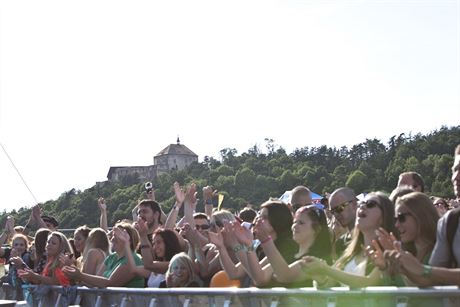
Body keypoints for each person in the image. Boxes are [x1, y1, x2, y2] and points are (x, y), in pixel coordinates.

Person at [300, 192, 396, 288]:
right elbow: (328, 284)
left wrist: (326, 270)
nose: (362, 207)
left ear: (384, 216)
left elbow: (368, 283)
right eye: (361, 204)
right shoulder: (350, 252)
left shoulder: (389, 251)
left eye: (370, 204)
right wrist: (320, 278)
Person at [250, 204, 332, 287]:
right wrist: (246, 245)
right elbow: (258, 278)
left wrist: (265, 240)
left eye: (301, 223)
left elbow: (285, 276)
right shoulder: (287, 253)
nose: (295, 226)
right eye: (294, 222)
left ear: (317, 228)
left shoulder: (315, 259)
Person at [62, 222, 144, 288]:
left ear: (129, 239)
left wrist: (80, 275)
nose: (112, 239)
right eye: (112, 236)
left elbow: (110, 283)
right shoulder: (111, 257)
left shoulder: (133, 259)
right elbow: (95, 282)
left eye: (117, 236)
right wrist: (73, 270)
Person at [328, 187, 358, 258]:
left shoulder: (371, 236)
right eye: (332, 212)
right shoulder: (340, 244)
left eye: (339, 208)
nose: (335, 215)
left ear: (354, 204)